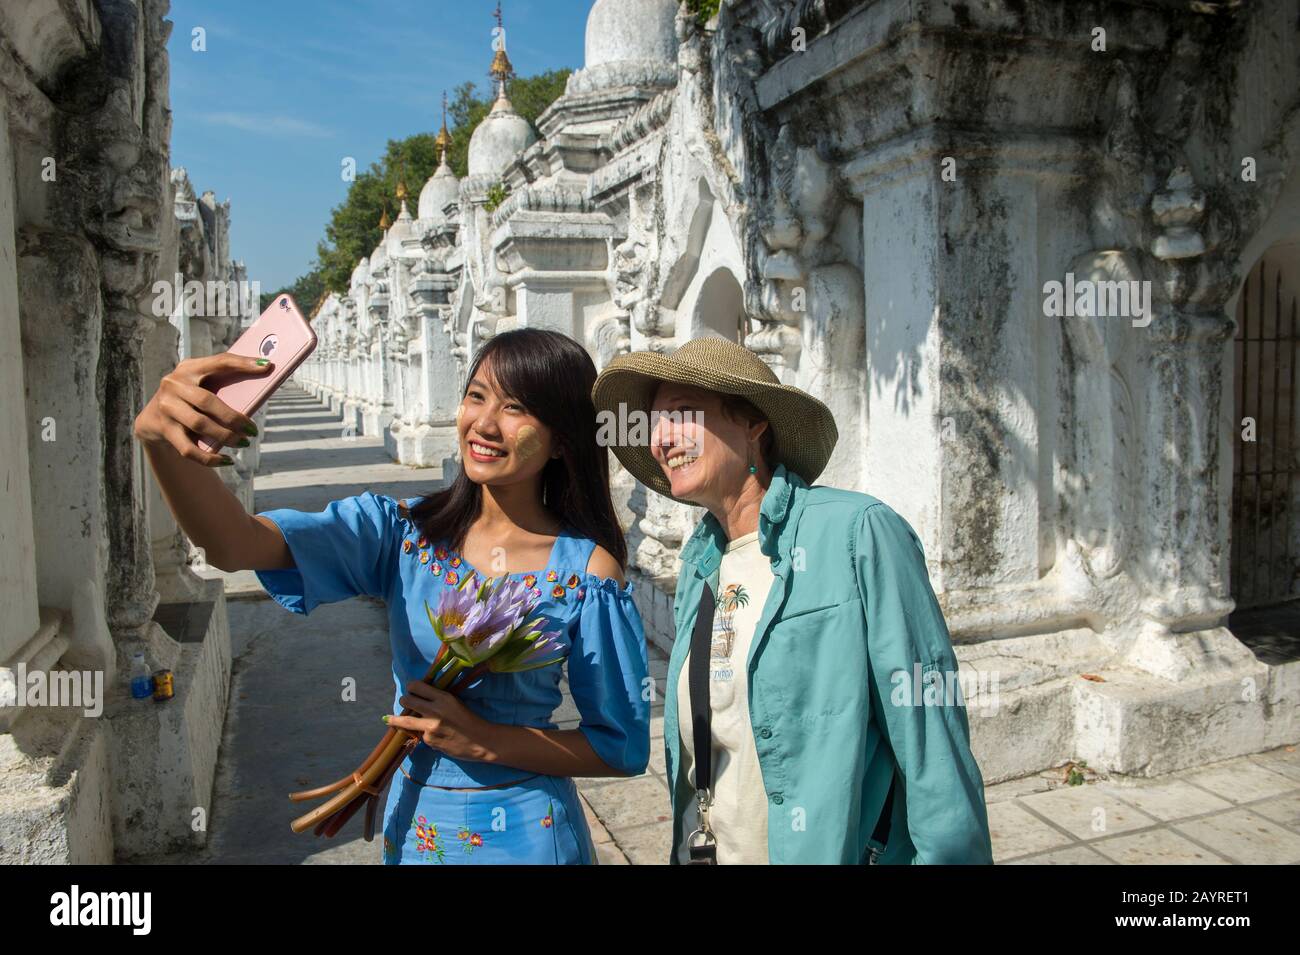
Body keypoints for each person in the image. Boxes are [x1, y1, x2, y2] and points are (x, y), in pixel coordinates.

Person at [134, 328, 650, 864]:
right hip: (417, 823)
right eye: (476, 396)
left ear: (563, 437)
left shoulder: (586, 574)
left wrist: (484, 740)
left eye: (516, 407)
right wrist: (162, 444)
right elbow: (233, 544)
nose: (485, 423)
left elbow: (622, 746)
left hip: (528, 834)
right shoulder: (400, 534)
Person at [591, 335, 994, 864]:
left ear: (755, 423)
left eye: (683, 414)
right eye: (654, 425)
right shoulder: (699, 562)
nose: (662, 439)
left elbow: (927, 728)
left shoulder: (856, 534)